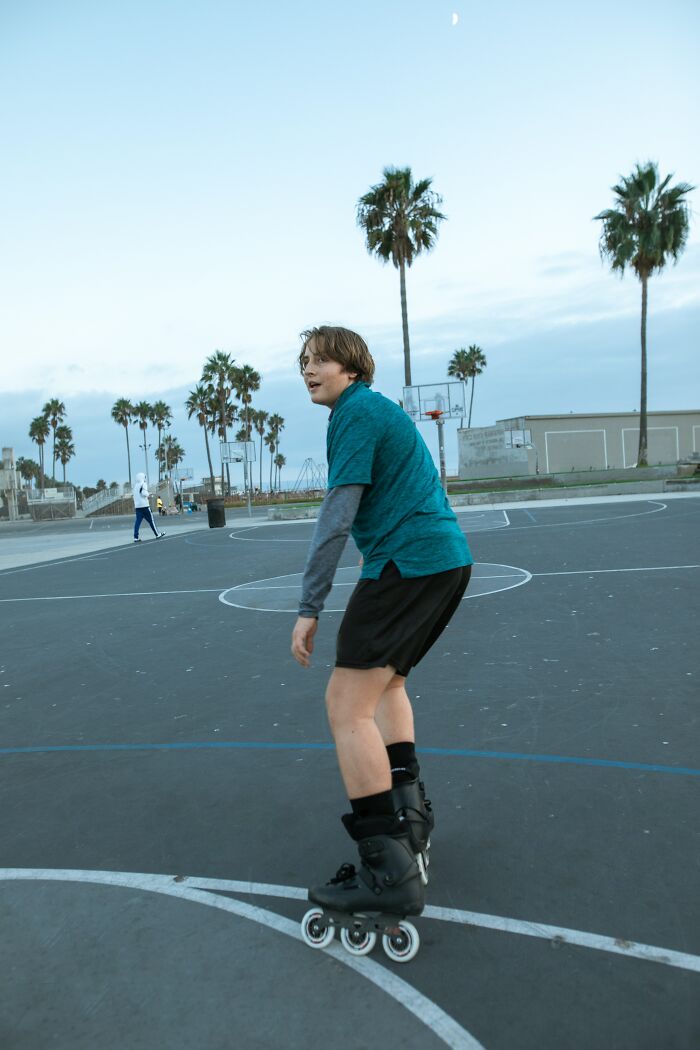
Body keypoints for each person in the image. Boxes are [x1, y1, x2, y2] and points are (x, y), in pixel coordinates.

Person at [291, 325, 472, 923]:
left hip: (409, 563)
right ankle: (409, 820)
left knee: (346, 706)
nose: (309, 370)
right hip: (440, 561)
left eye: (320, 360)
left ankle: (386, 868)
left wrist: (309, 606)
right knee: (387, 684)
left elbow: (336, 517)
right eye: (305, 363)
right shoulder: (371, 411)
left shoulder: (357, 413)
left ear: (351, 367)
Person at [132, 473, 165, 542]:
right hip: (145, 506)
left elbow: (136, 495)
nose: (145, 479)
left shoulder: (135, 486)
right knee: (151, 521)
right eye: (144, 477)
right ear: (142, 477)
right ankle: (157, 534)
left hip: (138, 507)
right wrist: (149, 495)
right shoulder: (143, 484)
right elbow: (143, 493)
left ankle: (136, 537)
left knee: (137, 522)